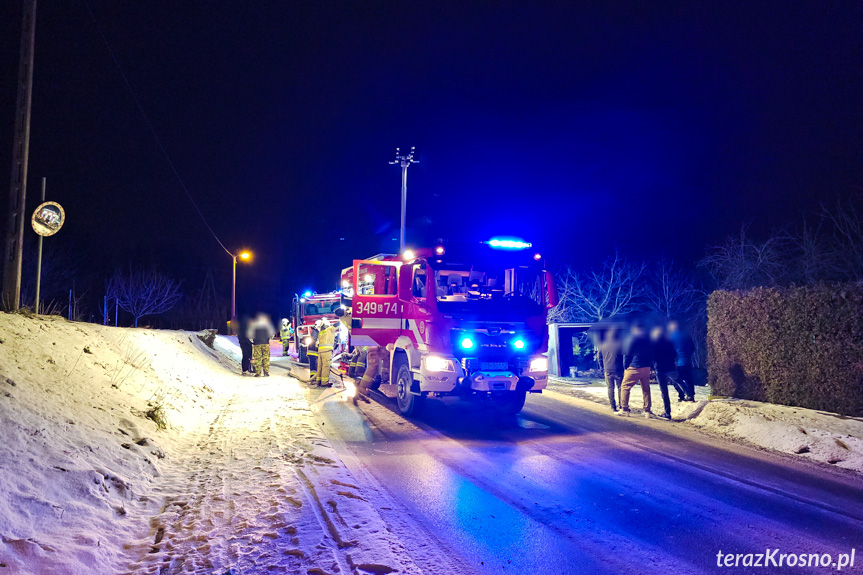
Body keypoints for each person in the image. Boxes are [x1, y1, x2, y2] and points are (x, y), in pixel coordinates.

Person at [618, 321, 654, 417]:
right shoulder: (648, 340)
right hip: (646, 367)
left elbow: (627, 355)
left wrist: (626, 367)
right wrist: (651, 367)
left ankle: (624, 409)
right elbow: (652, 355)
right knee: (646, 389)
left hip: (635, 366)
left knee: (625, 387)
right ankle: (647, 411)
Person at [651, 325, 685, 420]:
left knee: (664, 391)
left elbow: (653, 356)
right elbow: (674, 354)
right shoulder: (669, 343)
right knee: (677, 381)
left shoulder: (655, 344)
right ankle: (686, 394)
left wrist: (653, 366)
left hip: (660, 368)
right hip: (670, 367)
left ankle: (667, 412)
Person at [668, 320, 696, 402]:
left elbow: (670, 350)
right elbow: (693, 348)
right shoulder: (686, 335)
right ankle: (691, 396)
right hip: (687, 361)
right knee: (688, 379)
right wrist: (688, 355)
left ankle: (682, 395)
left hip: (677, 362)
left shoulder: (671, 337)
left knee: (676, 380)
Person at [597, 327, 624, 412]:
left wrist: (602, 367)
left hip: (607, 370)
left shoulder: (602, 345)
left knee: (610, 388)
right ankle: (621, 406)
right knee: (620, 388)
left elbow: (599, 358)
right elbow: (624, 357)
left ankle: (613, 406)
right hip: (618, 369)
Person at [247, 312, 275, 377]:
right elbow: (272, 334)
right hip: (265, 343)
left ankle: (258, 373)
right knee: (266, 358)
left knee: (258, 358)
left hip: (257, 343)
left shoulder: (254, 325)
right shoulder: (267, 325)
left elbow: (249, 335)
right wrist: (269, 339)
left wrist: (252, 341)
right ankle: (266, 372)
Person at [314, 318, 336, 387]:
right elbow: (336, 326)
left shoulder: (321, 332)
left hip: (320, 352)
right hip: (327, 351)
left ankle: (318, 381)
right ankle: (324, 383)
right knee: (326, 366)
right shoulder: (329, 329)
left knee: (320, 367)